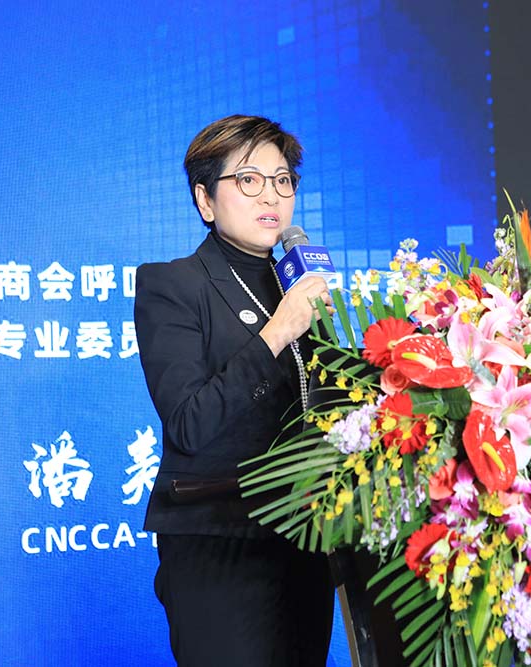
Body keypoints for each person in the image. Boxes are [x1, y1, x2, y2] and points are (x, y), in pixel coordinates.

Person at [134, 115, 334, 666]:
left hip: (304, 540)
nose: (271, 195)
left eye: (282, 180)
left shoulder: (301, 287)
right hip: (218, 546)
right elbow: (189, 423)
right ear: (205, 199)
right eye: (249, 180)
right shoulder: (173, 285)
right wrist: (277, 332)